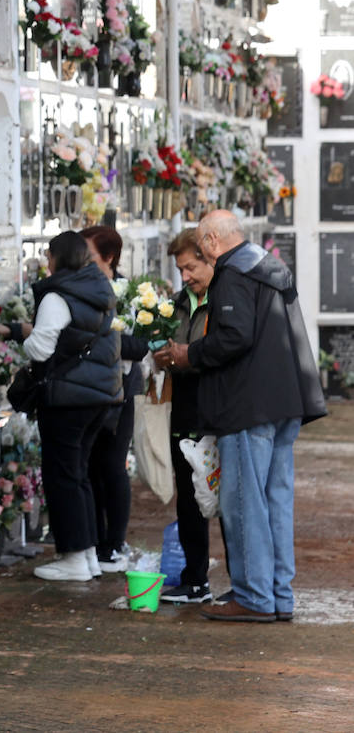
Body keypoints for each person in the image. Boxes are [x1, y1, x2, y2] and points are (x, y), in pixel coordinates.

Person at [163, 210, 326, 622]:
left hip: (246, 404)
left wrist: (188, 354)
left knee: (243, 502)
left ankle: (253, 597)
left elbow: (234, 335)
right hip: (283, 401)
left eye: (201, 249)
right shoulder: (269, 266)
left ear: (214, 241)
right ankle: (277, 596)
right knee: (276, 501)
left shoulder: (233, 272)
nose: (203, 256)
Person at [0, 231, 122, 581]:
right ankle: (89, 555)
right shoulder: (96, 287)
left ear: (58, 258)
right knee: (79, 475)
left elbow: (40, 349)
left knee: (63, 476)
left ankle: (74, 558)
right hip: (99, 395)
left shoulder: (58, 293)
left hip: (68, 398)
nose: (46, 262)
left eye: (49, 256)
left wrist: (26, 340)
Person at [152, 229, 226, 603]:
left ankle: (243, 585)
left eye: (191, 267)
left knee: (225, 496)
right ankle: (195, 579)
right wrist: (164, 353)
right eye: (181, 269)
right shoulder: (178, 303)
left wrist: (188, 355)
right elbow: (168, 343)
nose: (185, 276)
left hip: (218, 407)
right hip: (183, 406)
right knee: (188, 497)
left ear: (210, 259)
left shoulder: (227, 300)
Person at [80, 225, 149, 573]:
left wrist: (103, 336)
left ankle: (114, 544)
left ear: (108, 257)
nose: (83, 261)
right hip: (89, 391)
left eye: (89, 255)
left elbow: (141, 345)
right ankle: (93, 542)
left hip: (121, 392)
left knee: (113, 467)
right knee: (89, 468)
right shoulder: (82, 288)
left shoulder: (129, 293)